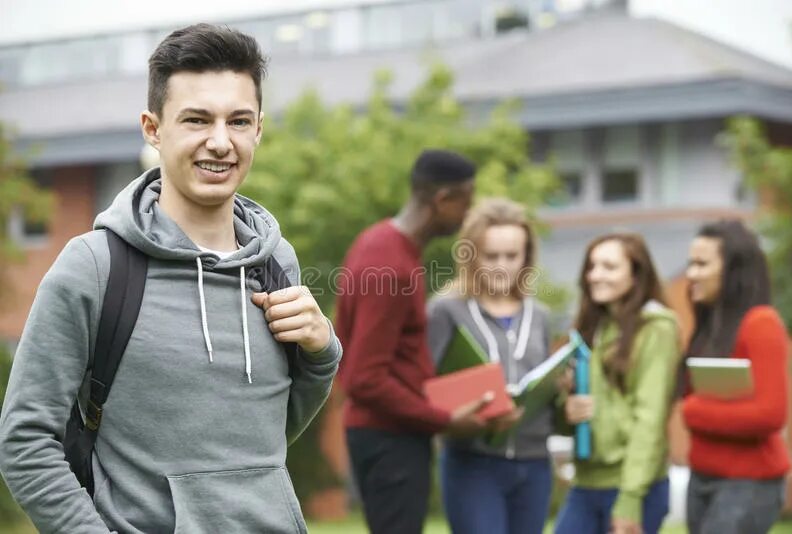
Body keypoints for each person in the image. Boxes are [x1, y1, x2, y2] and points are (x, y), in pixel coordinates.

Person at [0, 24, 341, 533]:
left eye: (239, 120)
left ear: (259, 129)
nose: (220, 142)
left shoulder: (276, 263)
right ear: (153, 128)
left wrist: (321, 354)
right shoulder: (95, 267)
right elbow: (25, 441)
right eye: (197, 120)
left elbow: (262, 438)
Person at [337, 149, 497, 534]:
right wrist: (444, 420)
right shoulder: (392, 266)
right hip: (390, 440)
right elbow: (364, 378)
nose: (467, 217)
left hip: (388, 434)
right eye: (466, 204)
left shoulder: (377, 242)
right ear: (442, 200)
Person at [427, 198, 555, 534]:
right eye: (491, 256)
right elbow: (425, 391)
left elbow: (545, 389)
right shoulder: (445, 311)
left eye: (512, 256)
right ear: (471, 256)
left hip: (534, 464)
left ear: (526, 257)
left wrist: (563, 393)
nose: (502, 266)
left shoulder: (540, 316)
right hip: (473, 463)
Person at [554, 233, 681, 534]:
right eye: (592, 266)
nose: (596, 275)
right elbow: (571, 416)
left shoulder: (657, 329)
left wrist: (630, 497)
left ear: (636, 275)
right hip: (585, 483)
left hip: (631, 485)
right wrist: (567, 409)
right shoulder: (590, 327)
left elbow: (649, 418)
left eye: (609, 267)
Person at [682, 219, 790, 534]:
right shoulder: (709, 327)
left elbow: (770, 415)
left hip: (748, 483)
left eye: (702, 264)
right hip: (702, 477)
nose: (691, 275)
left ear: (733, 270)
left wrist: (694, 411)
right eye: (690, 264)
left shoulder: (761, 323)